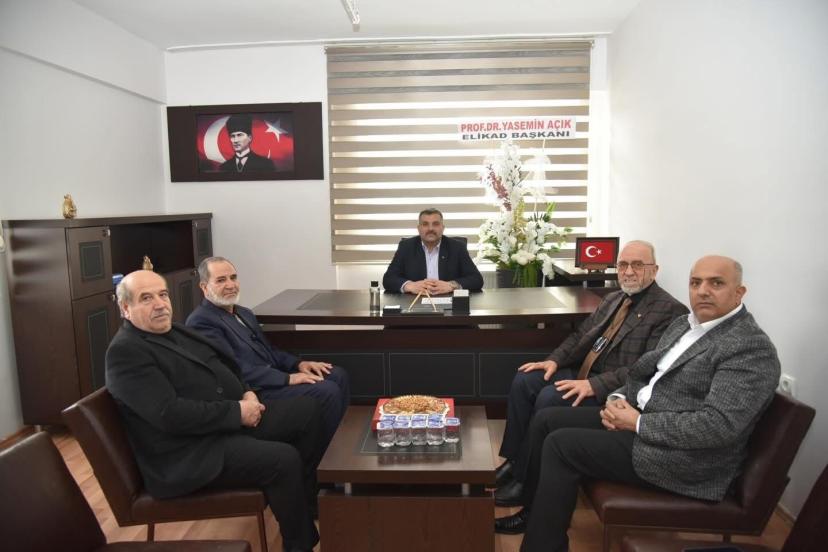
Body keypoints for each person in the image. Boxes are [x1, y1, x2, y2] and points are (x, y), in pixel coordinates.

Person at [495, 255, 781, 552]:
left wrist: (637, 422)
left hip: (684, 457)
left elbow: (718, 427)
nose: (703, 291)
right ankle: (532, 511)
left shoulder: (748, 347)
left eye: (716, 283)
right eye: (696, 283)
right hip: (642, 418)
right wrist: (618, 399)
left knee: (561, 445)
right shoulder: (685, 325)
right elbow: (643, 373)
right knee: (547, 420)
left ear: (739, 292)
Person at [106, 270, 322, 552]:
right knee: (283, 459)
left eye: (163, 294)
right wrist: (237, 412)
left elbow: (226, 365)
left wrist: (247, 391)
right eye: (146, 298)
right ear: (125, 308)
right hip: (188, 452)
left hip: (219, 424)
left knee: (307, 409)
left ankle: (304, 504)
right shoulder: (125, 352)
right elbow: (169, 414)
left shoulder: (176, 330)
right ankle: (299, 545)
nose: (159, 304)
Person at [494, 240, 687, 506]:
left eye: (637, 265)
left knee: (550, 398)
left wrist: (595, 385)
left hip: (613, 388)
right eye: (623, 265)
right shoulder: (614, 298)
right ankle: (515, 460)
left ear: (654, 270)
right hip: (584, 371)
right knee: (525, 380)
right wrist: (553, 361)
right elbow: (579, 336)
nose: (628, 271)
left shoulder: (670, 311)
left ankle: (527, 481)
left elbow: (646, 368)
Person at [186, 256, 350, 449]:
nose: (230, 285)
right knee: (327, 391)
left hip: (273, 376)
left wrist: (298, 364)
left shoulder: (244, 313)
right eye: (221, 280)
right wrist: (288, 379)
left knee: (337, 374)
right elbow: (232, 370)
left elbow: (269, 351)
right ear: (204, 287)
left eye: (233, 277)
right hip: (256, 390)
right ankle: (327, 458)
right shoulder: (202, 321)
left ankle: (339, 445)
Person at [382, 208, 483, 294]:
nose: (430, 228)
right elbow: (389, 278)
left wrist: (452, 285)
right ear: (419, 228)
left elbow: (476, 279)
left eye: (435, 224)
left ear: (442, 228)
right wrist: (409, 285)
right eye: (425, 224)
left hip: (448, 301)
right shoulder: (406, 247)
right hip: (414, 302)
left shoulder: (457, 247)